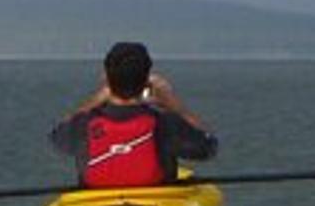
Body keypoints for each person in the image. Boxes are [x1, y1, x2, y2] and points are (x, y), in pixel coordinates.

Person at [49, 41, 217, 187]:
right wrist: (174, 105)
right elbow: (208, 147)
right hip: (154, 203)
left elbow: (56, 136)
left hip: (97, 202)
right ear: (146, 82)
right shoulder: (166, 122)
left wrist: (96, 99)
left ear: (106, 78)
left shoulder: (84, 123)